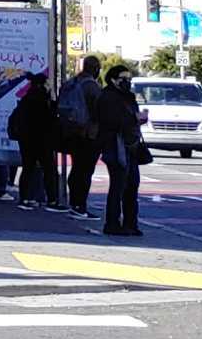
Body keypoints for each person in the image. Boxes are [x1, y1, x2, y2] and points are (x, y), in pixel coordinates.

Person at [96, 68, 146, 237]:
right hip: (115, 145)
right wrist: (134, 119)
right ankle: (112, 223)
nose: (127, 81)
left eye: (129, 78)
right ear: (112, 80)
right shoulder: (107, 97)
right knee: (118, 185)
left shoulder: (129, 97)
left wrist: (138, 119)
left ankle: (131, 223)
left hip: (130, 145)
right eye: (122, 78)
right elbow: (110, 120)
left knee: (132, 185)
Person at [56, 55, 105, 218]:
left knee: (77, 168)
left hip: (71, 132)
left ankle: (74, 203)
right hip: (88, 134)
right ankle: (79, 205)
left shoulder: (71, 83)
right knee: (85, 171)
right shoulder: (92, 86)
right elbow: (99, 111)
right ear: (96, 69)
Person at [7, 74, 58, 210]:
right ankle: (52, 200)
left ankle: (24, 198)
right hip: (42, 139)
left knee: (28, 168)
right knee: (49, 169)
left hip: (26, 139)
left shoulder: (26, 99)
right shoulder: (44, 99)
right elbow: (50, 117)